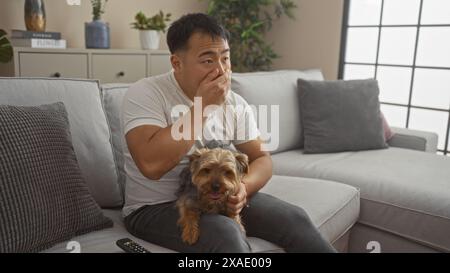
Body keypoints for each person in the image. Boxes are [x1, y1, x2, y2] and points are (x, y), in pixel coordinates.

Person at [121, 13, 336, 253]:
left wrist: (243, 187)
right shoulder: (145, 93)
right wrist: (203, 106)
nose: (221, 69)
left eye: (225, 58)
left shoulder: (235, 103)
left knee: (295, 219)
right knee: (226, 233)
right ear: (176, 63)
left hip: (218, 198)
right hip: (155, 208)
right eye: (208, 60)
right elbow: (151, 165)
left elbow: (261, 159)